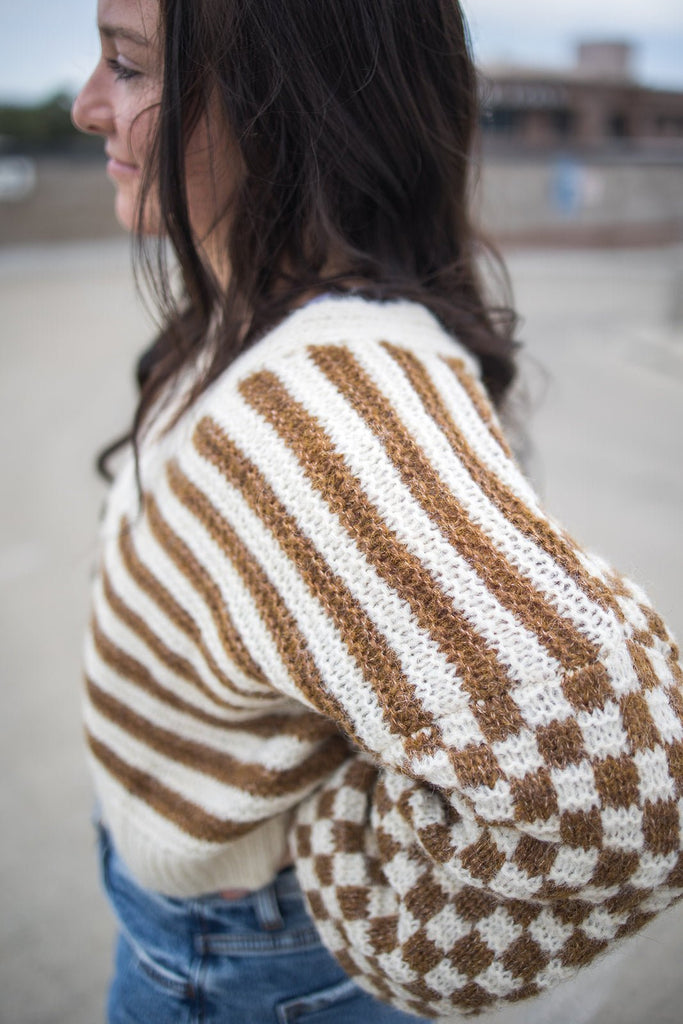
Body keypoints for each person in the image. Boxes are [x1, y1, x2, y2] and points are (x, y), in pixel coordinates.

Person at [72, 1, 683, 1022]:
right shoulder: (255, 323)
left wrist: (347, 900)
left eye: (128, 67)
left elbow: (633, 785)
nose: (90, 105)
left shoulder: (321, 400)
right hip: (214, 943)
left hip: (241, 970)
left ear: (286, 102)